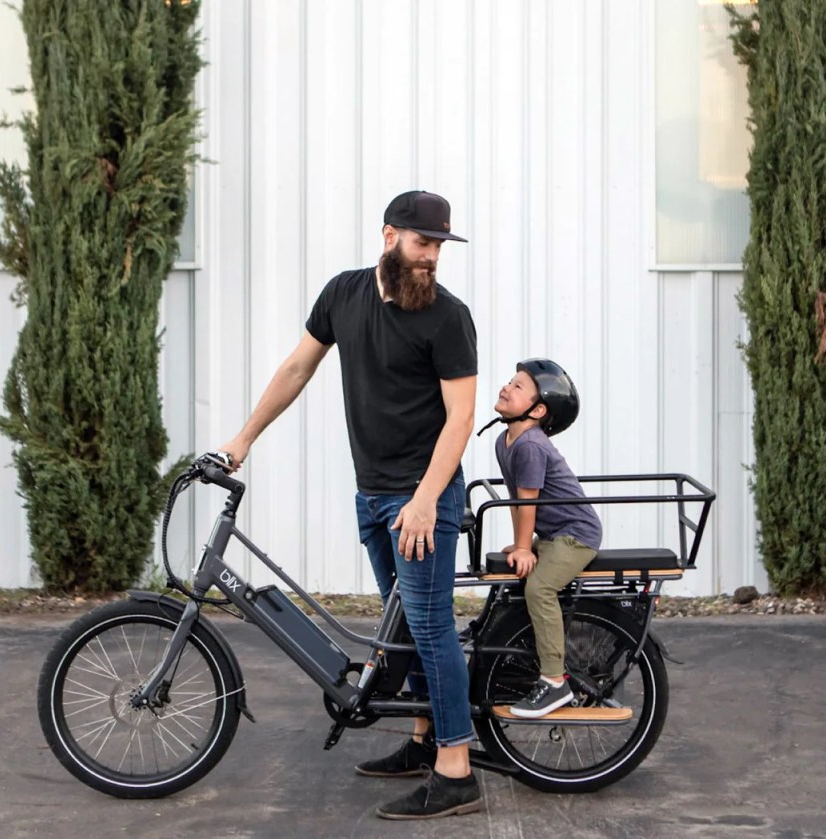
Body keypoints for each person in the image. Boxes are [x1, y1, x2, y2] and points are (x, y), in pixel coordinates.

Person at [217, 190, 484, 820]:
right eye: (423, 245)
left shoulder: (449, 318)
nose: (432, 259)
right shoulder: (344, 295)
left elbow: (461, 418)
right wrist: (242, 439)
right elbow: (296, 369)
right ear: (389, 236)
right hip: (373, 495)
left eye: (441, 248)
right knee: (403, 628)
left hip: (425, 497)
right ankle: (422, 740)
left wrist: (423, 501)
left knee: (428, 623)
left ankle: (456, 769)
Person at [484, 358, 603, 718]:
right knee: (507, 572)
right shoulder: (506, 441)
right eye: (510, 381)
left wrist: (525, 546)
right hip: (553, 535)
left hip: (576, 536)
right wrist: (519, 545)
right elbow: (517, 499)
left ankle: (554, 681)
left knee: (539, 589)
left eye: (518, 387)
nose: (507, 387)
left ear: (537, 410)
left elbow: (529, 502)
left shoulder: (531, 445)